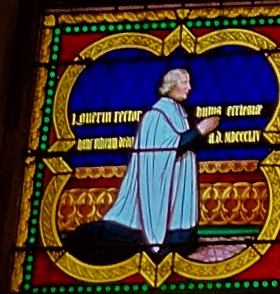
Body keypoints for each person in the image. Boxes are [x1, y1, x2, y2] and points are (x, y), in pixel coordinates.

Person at [63, 67, 219, 263]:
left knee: (183, 241)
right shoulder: (156, 115)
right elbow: (165, 148)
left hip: (177, 194)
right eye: (184, 82)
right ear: (171, 85)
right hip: (154, 199)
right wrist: (200, 130)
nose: (189, 87)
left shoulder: (178, 112)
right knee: (127, 236)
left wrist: (199, 134)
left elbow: (183, 145)